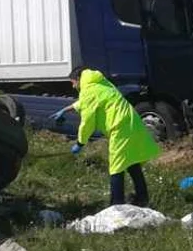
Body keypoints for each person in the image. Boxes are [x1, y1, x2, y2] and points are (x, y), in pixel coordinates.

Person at [50, 66, 160, 207]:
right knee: (132, 162)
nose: (73, 86)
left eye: (73, 82)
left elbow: (87, 122)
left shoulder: (88, 91)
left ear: (78, 79)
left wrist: (80, 143)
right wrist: (65, 109)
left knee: (116, 166)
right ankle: (142, 198)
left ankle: (116, 204)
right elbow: (88, 102)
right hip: (132, 123)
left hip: (120, 128)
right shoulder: (100, 83)